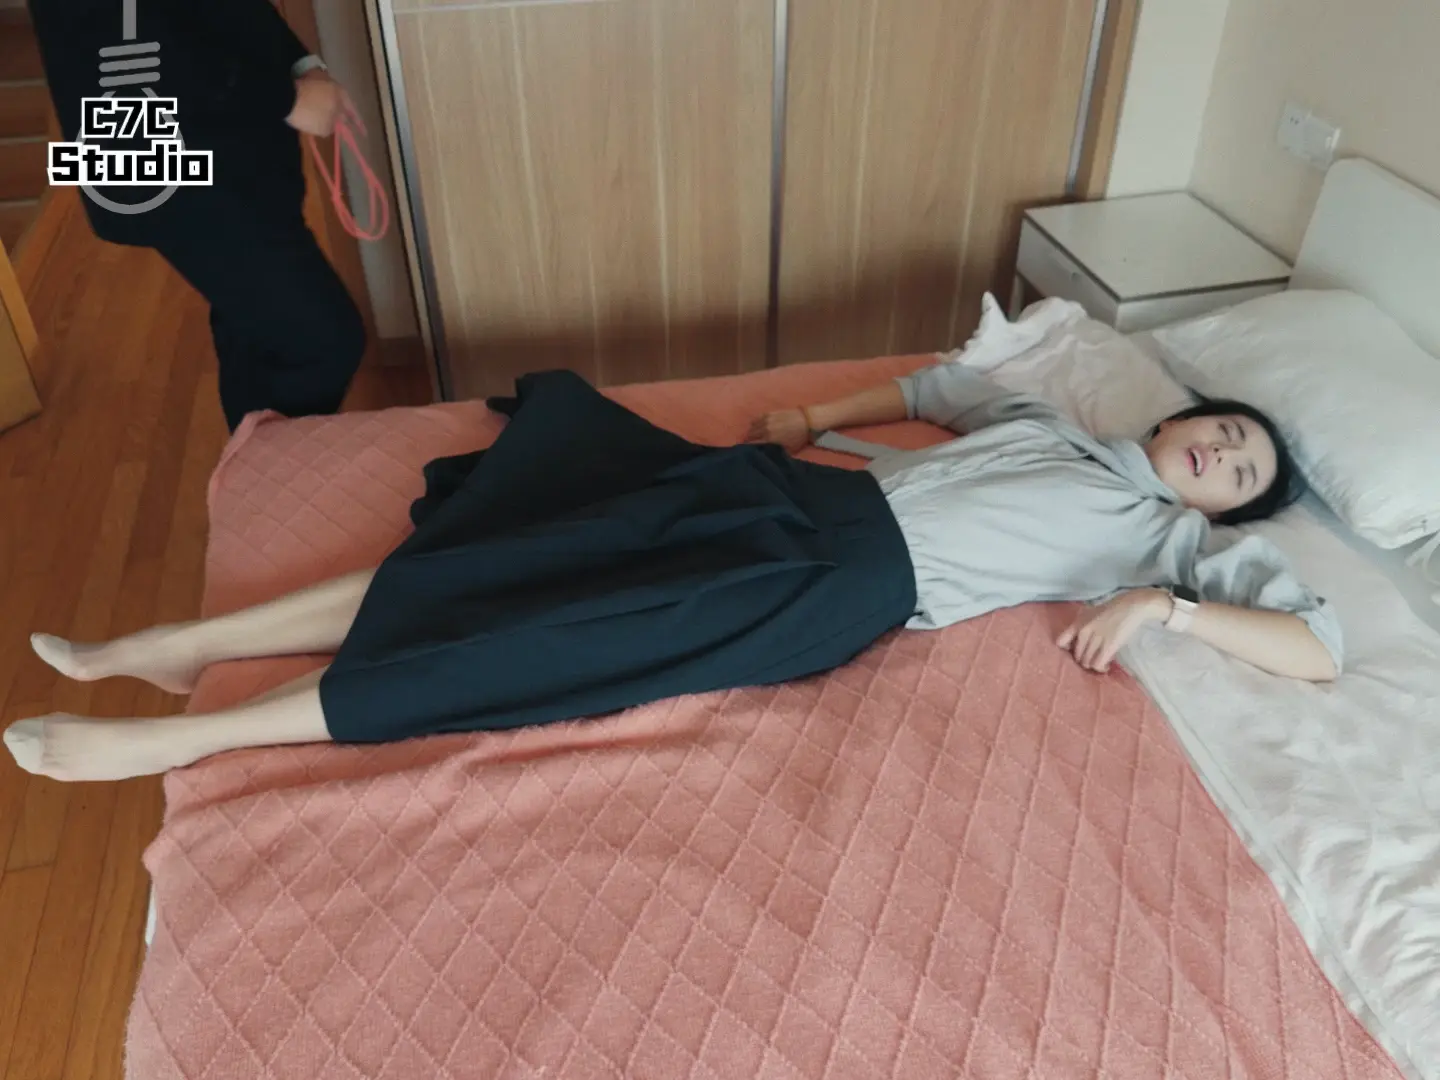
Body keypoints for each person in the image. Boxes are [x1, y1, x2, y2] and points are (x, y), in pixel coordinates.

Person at [4, 363, 1341, 783]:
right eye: (1224, 430)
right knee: (509, 548)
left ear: (1220, 508)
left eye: (1240, 471)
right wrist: (817, 415)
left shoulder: (1165, 542)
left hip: (838, 583)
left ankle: (188, 738)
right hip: (788, 492)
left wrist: (1168, 604)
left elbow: (1320, 651)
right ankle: (189, 644)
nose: (1221, 454)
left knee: (539, 639)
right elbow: (940, 384)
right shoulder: (1052, 419)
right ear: (1181, 413)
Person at [28, 0, 366, 431]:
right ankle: (267, 466)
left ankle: (251, 467)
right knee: (325, 341)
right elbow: (126, 37)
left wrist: (302, 64)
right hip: (167, 156)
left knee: (257, 332)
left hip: (229, 152)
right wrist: (290, 97)